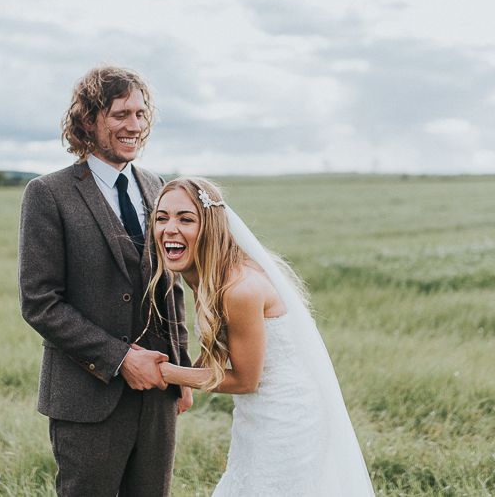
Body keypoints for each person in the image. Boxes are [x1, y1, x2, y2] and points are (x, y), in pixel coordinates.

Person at [18, 66, 192, 497]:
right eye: (120, 115)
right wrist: (119, 358)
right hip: (87, 397)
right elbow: (40, 301)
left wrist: (182, 369)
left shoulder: (156, 185)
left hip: (158, 392)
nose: (134, 125)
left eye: (140, 113)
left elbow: (170, 286)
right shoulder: (47, 193)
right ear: (88, 121)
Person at [148, 177, 375, 496]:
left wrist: (166, 373)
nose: (170, 228)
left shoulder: (239, 289)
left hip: (286, 416)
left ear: (210, 225)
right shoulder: (203, 272)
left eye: (185, 218)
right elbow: (219, 345)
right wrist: (186, 382)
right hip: (256, 411)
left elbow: (245, 380)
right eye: (162, 218)